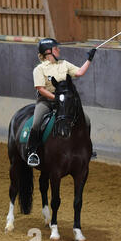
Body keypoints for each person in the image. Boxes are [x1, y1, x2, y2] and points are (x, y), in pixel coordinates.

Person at [26, 38, 97, 167]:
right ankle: (32, 152)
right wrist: (55, 98)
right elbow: (40, 89)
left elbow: (80, 72)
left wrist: (89, 59)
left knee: (86, 120)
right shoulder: (39, 69)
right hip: (47, 102)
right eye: (56, 48)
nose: (59, 50)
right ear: (48, 52)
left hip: (65, 103)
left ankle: (87, 148)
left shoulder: (64, 64)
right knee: (36, 122)